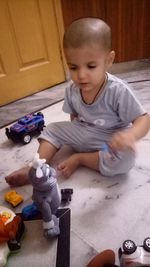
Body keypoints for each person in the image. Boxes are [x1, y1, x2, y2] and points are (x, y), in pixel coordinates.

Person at [5, 18, 150, 186]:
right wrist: (75, 136)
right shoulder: (72, 89)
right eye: (73, 67)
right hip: (84, 131)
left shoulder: (117, 90)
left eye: (91, 66)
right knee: (51, 129)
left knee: (126, 160)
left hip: (108, 142)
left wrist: (130, 136)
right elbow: (74, 116)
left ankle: (81, 159)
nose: (81, 75)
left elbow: (144, 119)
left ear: (108, 60)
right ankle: (35, 167)